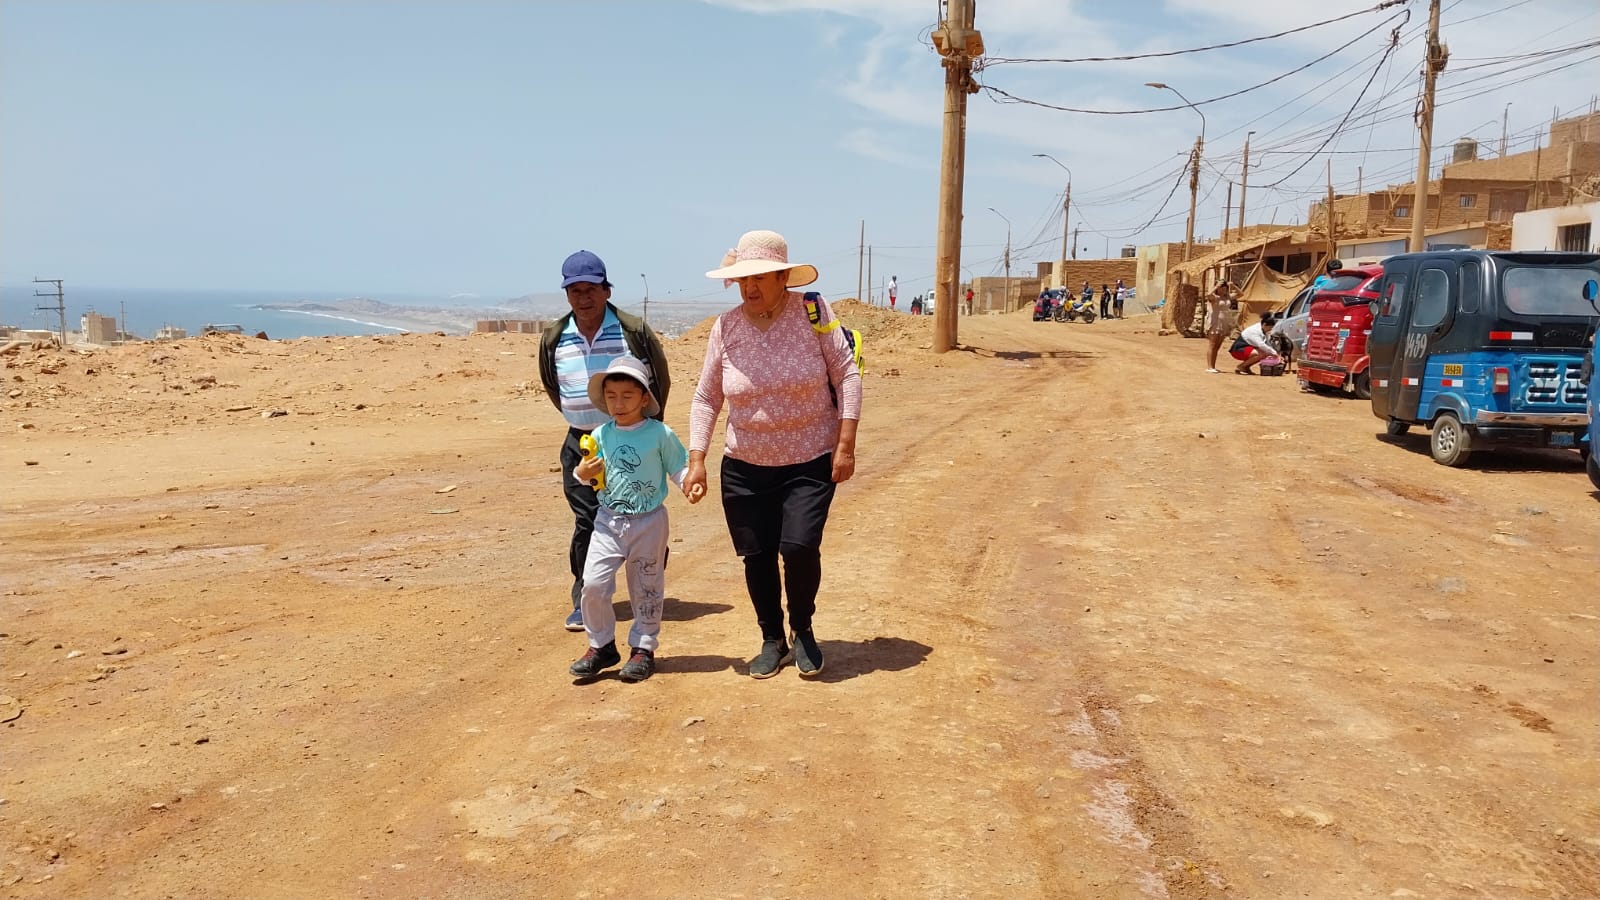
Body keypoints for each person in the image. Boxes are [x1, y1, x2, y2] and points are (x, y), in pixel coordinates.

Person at [687, 230, 862, 679]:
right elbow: (707, 397)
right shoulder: (725, 328)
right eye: (744, 279)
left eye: (761, 277)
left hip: (809, 459)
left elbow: (847, 376)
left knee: (799, 547)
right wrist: (697, 457)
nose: (751, 287)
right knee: (757, 555)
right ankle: (772, 638)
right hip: (744, 466)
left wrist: (845, 444)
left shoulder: (813, 312)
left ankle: (802, 629)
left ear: (784, 276)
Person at [538, 250, 672, 632]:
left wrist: (647, 433)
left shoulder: (633, 331)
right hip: (583, 442)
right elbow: (553, 385)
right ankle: (585, 596)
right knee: (587, 518)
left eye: (591, 289)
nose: (583, 297)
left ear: (606, 290)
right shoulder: (553, 337)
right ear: (567, 295)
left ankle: (647, 578)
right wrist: (581, 420)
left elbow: (658, 380)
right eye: (575, 290)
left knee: (640, 510)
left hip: (633, 437)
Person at [568, 357, 698, 683]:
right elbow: (584, 474)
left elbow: (678, 466)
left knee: (646, 586)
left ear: (644, 398)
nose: (619, 403)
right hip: (607, 521)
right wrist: (582, 473)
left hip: (649, 522)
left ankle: (643, 648)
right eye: (611, 396)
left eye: (627, 395)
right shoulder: (599, 434)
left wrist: (688, 483)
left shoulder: (659, 434)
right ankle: (601, 645)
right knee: (594, 584)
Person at [1203, 281, 1239, 373]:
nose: (1223, 290)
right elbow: (1208, 295)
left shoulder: (1227, 297)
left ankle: (1213, 366)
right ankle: (1209, 366)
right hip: (1215, 322)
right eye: (1221, 288)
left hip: (1224, 323)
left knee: (1217, 346)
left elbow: (1241, 294)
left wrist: (1233, 285)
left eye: (1224, 289)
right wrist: (1216, 286)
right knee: (1212, 345)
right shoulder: (1215, 298)